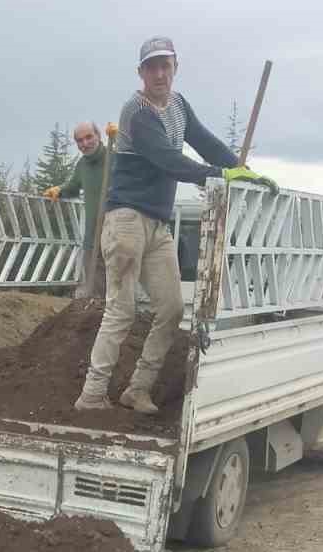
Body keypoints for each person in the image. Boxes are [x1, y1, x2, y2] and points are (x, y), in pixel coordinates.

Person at [75, 37, 277, 416]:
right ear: (141, 73)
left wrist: (242, 171)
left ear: (175, 67)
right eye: (152, 67)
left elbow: (204, 142)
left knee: (170, 308)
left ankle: (138, 389)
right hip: (126, 221)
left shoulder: (179, 106)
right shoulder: (136, 112)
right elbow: (169, 160)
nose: (160, 73)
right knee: (121, 311)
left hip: (157, 225)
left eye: (165, 65)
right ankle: (91, 395)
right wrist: (219, 175)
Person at [45, 121, 112, 298]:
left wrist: (121, 138)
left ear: (99, 136)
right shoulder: (82, 164)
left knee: (117, 290)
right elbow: (74, 186)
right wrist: (59, 190)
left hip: (117, 234)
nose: (85, 143)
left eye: (89, 137)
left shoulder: (114, 156)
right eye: (79, 140)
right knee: (95, 291)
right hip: (92, 239)